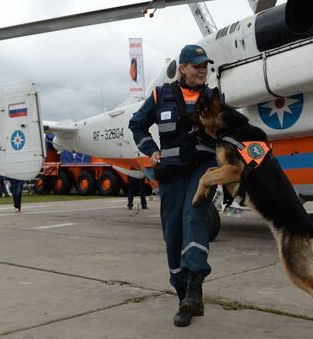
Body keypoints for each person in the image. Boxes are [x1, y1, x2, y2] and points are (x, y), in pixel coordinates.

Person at [129, 44, 219, 327]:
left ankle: (195, 285)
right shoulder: (160, 94)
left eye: (205, 65)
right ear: (182, 68)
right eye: (196, 65)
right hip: (170, 172)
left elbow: (228, 128)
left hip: (203, 168)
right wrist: (150, 149)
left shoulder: (214, 96)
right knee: (172, 231)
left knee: (194, 215)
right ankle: (184, 297)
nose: (202, 69)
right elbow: (137, 124)